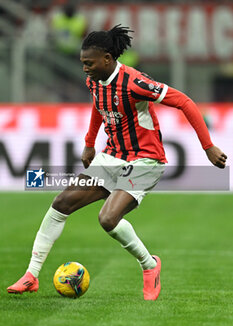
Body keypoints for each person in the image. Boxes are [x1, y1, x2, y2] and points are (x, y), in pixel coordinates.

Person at [7, 25, 227, 301]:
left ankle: (150, 265)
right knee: (60, 204)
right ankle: (31, 275)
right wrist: (89, 143)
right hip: (112, 156)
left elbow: (185, 102)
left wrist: (208, 147)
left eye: (89, 62)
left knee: (108, 218)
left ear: (107, 59)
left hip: (146, 160)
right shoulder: (94, 81)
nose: (85, 68)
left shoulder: (135, 83)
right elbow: (99, 107)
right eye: (82, 63)